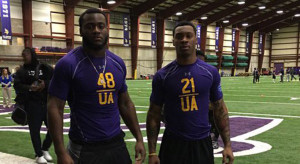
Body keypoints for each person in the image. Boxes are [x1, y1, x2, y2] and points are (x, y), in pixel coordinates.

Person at [47, 8, 145, 164]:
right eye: (90, 26)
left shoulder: (117, 63)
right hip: (85, 147)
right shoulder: (68, 64)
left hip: (116, 143)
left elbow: (125, 103)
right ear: (81, 31)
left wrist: (139, 138)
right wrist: (60, 153)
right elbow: (55, 108)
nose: (96, 30)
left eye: (101, 26)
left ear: (107, 29)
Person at [146, 21, 234, 164]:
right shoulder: (162, 76)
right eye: (179, 36)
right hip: (173, 144)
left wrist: (228, 145)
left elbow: (220, 110)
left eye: (189, 36)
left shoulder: (210, 73)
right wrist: (152, 152)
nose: (184, 40)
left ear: (196, 40)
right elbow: (154, 114)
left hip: (202, 142)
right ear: (173, 41)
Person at [14, 47, 53, 163]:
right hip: (31, 104)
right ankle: (38, 154)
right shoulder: (21, 71)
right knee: (34, 130)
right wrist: (30, 87)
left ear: (32, 55)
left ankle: (45, 148)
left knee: (53, 128)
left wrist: (45, 84)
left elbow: (55, 79)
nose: (23, 57)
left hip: (46, 103)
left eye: (25, 55)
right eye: (22, 55)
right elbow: (17, 85)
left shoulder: (44, 67)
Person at [196, 49, 220, 149]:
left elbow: (216, 97)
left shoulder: (210, 73)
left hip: (207, 107)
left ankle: (213, 139)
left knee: (217, 115)